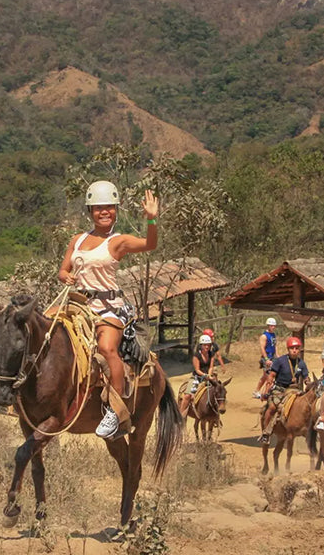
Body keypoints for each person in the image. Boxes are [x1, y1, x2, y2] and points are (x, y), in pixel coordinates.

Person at [58, 181, 159, 440]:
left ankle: (115, 411)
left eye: (109, 208)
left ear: (115, 210)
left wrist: (151, 220)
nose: (104, 212)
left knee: (107, 349)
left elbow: (149, 244)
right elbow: (63, 269)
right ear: (90, 211)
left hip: (108, 307)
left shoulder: (118, 241)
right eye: (98, 208)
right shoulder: (77, 239)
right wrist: (65, 276)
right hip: (78, 305)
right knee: (44, 335)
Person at [258, 336, 309, 444]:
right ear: (288, 349)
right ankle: (266, 433)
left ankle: (309, 429)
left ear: (299, 349)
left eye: (296, 348)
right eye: (292, 348)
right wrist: (267, 388)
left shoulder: (301, 363)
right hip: (280, 389)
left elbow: (306, 377)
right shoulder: (280, 361)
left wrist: (309, 383)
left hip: (294, 390)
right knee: (272, 407)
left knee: (306, 405)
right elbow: (271, 375)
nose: (294, 350)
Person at [180, 334, 215, 416]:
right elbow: (197, 370)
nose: (207, 347)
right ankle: (180, 414)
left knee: (219, 390)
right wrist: (205, 375)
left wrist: (209, 375)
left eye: (209, 345)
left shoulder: (211, 354)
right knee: (188, 395)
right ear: (201, 345)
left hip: (208, 377)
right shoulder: (196, 356)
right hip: (197, 378)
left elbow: (211, 367)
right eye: (205, 345)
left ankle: (216, 414)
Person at [253, 318, 278, 399]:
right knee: (269, 375)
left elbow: (275, 346)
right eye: (271, 326)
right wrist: (266, 359)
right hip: (267, 356)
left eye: (274, 326)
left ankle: (256, 391)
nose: (273, 327)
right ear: (268, 326)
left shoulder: (273, 335)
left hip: (273, 356)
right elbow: (262, 348)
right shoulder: (264, 336)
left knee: (265, 376)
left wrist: (278, 356)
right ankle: (266, 393)